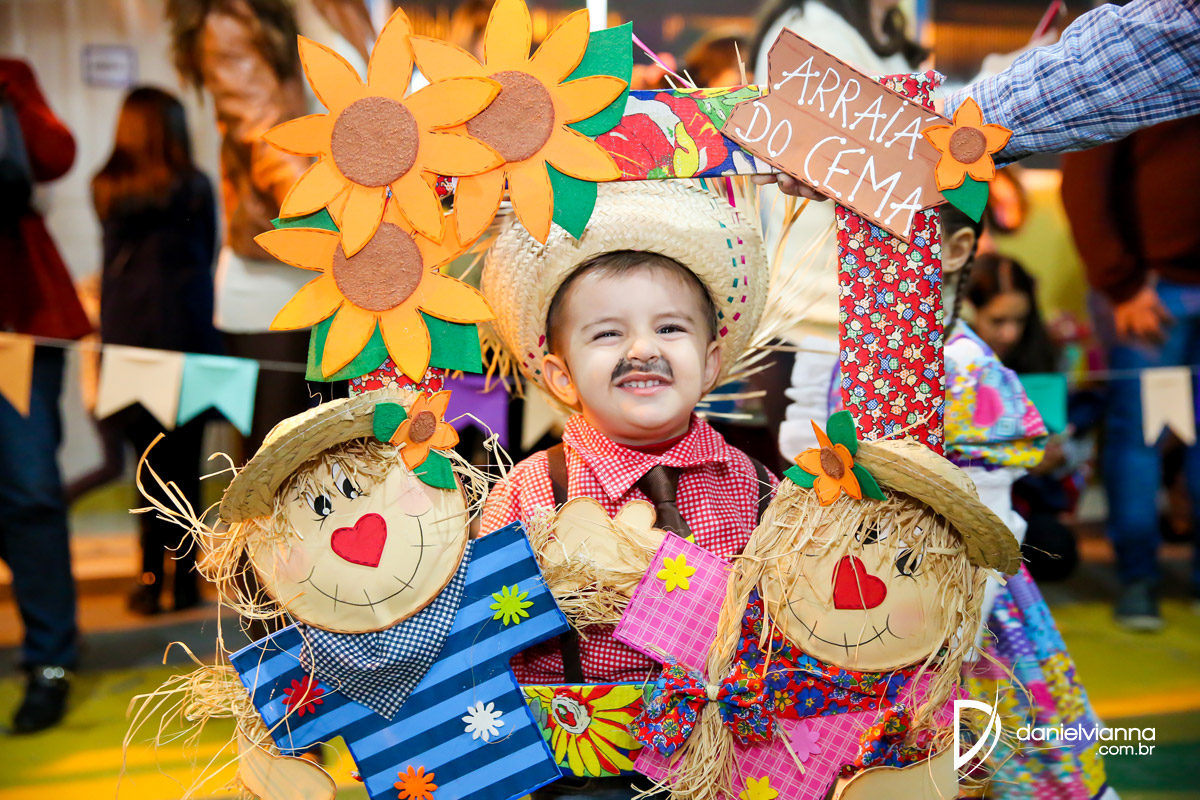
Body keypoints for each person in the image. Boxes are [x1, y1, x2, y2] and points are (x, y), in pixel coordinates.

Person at [480, 182, 777, 799]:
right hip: (578, 774)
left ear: (711, 362)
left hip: (725, 763)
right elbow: (484, 639)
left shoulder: (759, 491)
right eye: (607, 334)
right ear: (561, 376)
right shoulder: (529, 493)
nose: (643, 350)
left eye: (669, 328)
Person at [166, 0, 372, 451]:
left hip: (346, 271)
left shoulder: (339, 9)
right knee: (279, 468)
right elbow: (266, 139)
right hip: (282, 278)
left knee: (344, 465)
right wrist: (340, 229)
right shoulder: (230, 17)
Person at [1061, 113, 1200, 629]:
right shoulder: (1139, 68)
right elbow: (1084, 178)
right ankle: (1139, 578)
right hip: (1151, 291)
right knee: (1142, 434)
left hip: (1160, 286)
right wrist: (1121, 283)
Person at [91, 86, 220, 614]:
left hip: (128, 343)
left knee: (145, 469)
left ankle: (147, 581)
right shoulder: (194, 187)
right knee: (186, 465)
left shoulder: (108, 188)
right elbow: (206, 256)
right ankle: (186, 581)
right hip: (186, 338)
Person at [0, 57, 88, 734]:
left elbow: (55, 155)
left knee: (30, 490)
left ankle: (51, 661)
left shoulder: (10, 76)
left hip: (20, 320)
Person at [966, 253, 1085, 582]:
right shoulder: (951, 358)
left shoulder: (1045, 356)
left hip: (1027, 496)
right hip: (968, 496)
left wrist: (1060, 455)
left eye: (1020, 320)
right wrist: (1012, 454)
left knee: (1055, 551)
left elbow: (1071, 442)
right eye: (998, 320)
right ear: (969, 311)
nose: (1010, 333)